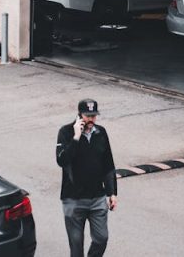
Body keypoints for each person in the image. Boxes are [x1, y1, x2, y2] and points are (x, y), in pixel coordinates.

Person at [55, 98, 117, 257]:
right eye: (88, 115)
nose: (91, 119)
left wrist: (112, 192)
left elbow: (108, 164)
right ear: (79, 114)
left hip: (97, 198)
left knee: (101, 238)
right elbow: (62, 160)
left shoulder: (100, 132)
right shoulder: (66, 132)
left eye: (94, 115)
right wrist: (76, 137)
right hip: (73, 200)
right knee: (76, 246)